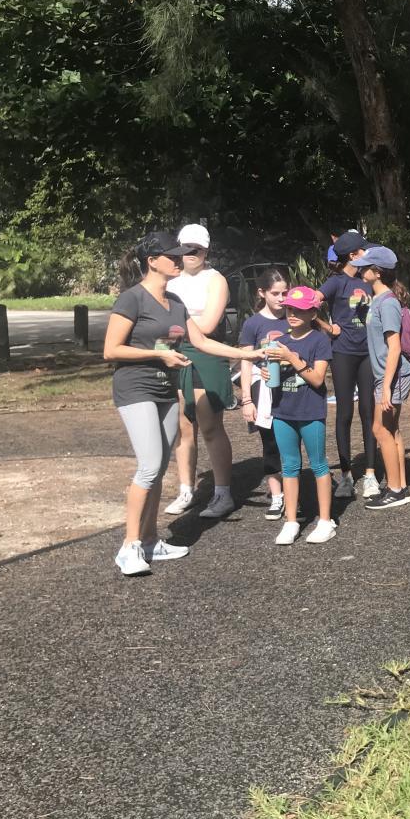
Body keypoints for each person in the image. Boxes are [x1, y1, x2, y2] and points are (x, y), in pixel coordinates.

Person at [104, 232, 265, 576]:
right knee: (149, 466)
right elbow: (111, 350)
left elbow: (201, 341)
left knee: (159, 466)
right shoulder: (132, 299)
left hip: (165, 388)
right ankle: (129, 546)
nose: (179, 260)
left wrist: (246, 354)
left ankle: (150, 540)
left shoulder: (174, 301)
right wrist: (158, 356)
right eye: (172, 255)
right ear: (152, 261)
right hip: (136, 389)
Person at [164, 223, 236, 519]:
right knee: (183, 427)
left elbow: (207, 325)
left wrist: (175, 325)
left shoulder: (215, 279)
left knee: (209, 425)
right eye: (186, 248)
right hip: (174, 353)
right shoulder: (170, 278)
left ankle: (223, 493)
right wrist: (179, 327)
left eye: (198, 249)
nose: (192, 253)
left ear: (207, 250)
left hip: (207, 353)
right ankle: (186, 489)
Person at [266, 286, 338, 545]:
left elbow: (317, 379)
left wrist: (291, 358)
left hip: (311, 411)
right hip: (283, 412)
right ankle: (291, 521)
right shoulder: (280, 341)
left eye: (300, 310)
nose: (293, 314)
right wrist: (267, 375)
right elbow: (275, 378)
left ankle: (325, 520)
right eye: (289, 309)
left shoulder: (319, 340)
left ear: (313, 314)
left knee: (318, 465)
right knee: (289, 466)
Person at [317, 230, 380, 501]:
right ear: (353, 255)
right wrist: (327, 327)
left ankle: (370, 474)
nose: (368, 253)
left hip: (367, 353)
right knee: (344, 413)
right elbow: (308, 303)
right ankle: (346, 476)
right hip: (342, 353)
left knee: (368, 411)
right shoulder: (336, 282)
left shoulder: (369, 279)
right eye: (364, 250)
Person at [356, 246, 410, 510]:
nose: (360, 269)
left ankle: (394, 490)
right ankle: (399, 485)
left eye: (366, 266)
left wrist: (387, 386)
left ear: (377, 272)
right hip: (386, 375)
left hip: (392, 376)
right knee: (391, 430)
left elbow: (394, 347)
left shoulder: (388, 302)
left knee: (380, 430)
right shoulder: (378, 300)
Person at [237, 268, 290, 520]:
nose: (281, 298)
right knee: (270, 442)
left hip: (291, 387)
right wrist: (247, 399)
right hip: (264, 388)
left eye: (284, 293)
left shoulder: (294, 317)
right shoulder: (253, 323)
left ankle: (292, 489)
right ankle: (277, 495)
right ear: (262, 293)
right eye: (275, 293)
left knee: (291, 441)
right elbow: (246, 361)